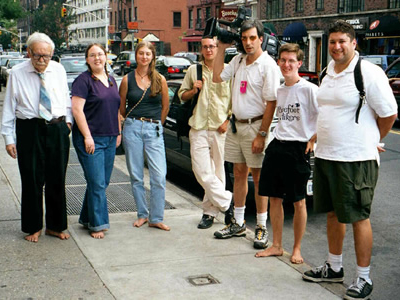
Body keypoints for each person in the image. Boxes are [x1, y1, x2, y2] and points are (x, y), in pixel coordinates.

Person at [302, 21, 397, 300]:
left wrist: (373, 140)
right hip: (326, 156)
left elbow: (389, 113)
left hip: (356, 159)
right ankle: (334, 267)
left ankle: (364, 278)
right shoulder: (327, 71)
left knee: (358, 217)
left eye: (342, 41)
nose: (336, 46)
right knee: (332, 214)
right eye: (332, 42)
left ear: (354, 43)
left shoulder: (368, 73)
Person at [213, 19, 280, 249]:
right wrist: (221, 47)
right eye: (244, 38)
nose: (248, 42)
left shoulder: (268, 65)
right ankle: (238, 223)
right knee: (238, 173)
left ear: (261, 38)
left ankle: (261, 226)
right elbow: (217, 76)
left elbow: (271, 102)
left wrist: (262, 134)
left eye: (252, 38)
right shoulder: (238, 60)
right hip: (237, 124)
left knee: (260, 177)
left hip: (256, 126)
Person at [1, 32, 72, 242]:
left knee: (56, 178)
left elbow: (65, 98)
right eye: (37, 55)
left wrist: (67, 123)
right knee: (32, 179)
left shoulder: (58, 69)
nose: (42, 60)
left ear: (51, 54)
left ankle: (55, 226)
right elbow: (9, 107)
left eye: (46, 56)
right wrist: (9, 138)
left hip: (56, 127)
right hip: (29, 129)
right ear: (29, 52)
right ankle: (33, 227)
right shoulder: (17, 73)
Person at [254, 43, 318, 263]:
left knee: (299, 201)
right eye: (283, 60)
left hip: (298, 148)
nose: (287, 64)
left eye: (291, 61)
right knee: (273, 197)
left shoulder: (309, 89)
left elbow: (325, 117)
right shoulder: (280, 90)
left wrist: (312, 139)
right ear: (278, 62)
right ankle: (277, 245)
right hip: (277, 145)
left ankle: (297, 249)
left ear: (299, 63)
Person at [178, 36, 233, 229]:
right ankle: (228, 203)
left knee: (218, 172)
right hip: (199, 126)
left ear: (218, 48)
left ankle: (209, 213)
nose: (208, 50)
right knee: (201, 170)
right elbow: (181, 96)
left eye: (212, 46)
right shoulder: (194, 70)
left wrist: (228, 120)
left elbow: (235, 100)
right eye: (205, 47)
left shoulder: (228, 70)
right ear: (201, 50)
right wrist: (193, 90)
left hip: (220, 128)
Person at [71, 43, 121, 239]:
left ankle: (86, 217)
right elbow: (77, 110)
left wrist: (118, 132)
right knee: (97, 182)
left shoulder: (110, 79)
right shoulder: (82, 81)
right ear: (87, 59)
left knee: (101, 182)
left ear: (106, 56)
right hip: (90, 139)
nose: (97, 58)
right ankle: (98, 224)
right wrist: (87, 136)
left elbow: (116, 107)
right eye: (93, 55)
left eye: (100, 54)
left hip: (109, 137)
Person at [119, 41, 170, 231]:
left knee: (159, 175)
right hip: (132, 127)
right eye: (141, 53)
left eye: (148, 54)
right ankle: (142, 214)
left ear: (152, 56)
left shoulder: (160, 79)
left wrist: (157, 123)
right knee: (136, 175)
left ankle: (156, 217)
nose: (144, 57)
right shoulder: (126, 80)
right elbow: (121, 107)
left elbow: (165, 106)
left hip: (153, 128)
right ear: (136, 55)